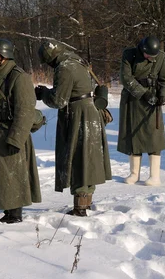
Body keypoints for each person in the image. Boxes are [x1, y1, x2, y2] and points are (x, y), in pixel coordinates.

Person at [36, 40, 112, 217]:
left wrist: (43, 93)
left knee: (78, 159)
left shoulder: (64, 67)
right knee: (88, 158)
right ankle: (86, 201)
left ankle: (80, 208)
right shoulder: (77, 60)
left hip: (79, 115)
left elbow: (58, 100)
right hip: (90, 111)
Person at [0, 39, 41, 223]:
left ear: (6, 56)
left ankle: (15, 214)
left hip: (10, 132)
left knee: (12, 173)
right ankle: (7, 211)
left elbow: (25, 111)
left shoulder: (18, 77)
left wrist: (15, 139)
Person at [118, 35, 165, 186]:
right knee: (133, 135)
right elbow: (125, 78)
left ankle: (155, 176)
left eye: (153, 56)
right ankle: (134, 174)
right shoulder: (129, 54)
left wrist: (162, 95)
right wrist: (144, 93)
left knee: (154, 137)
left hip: (153, 101)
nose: (150, 58)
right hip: (133, 100)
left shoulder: (161, 57)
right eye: (148, 55)